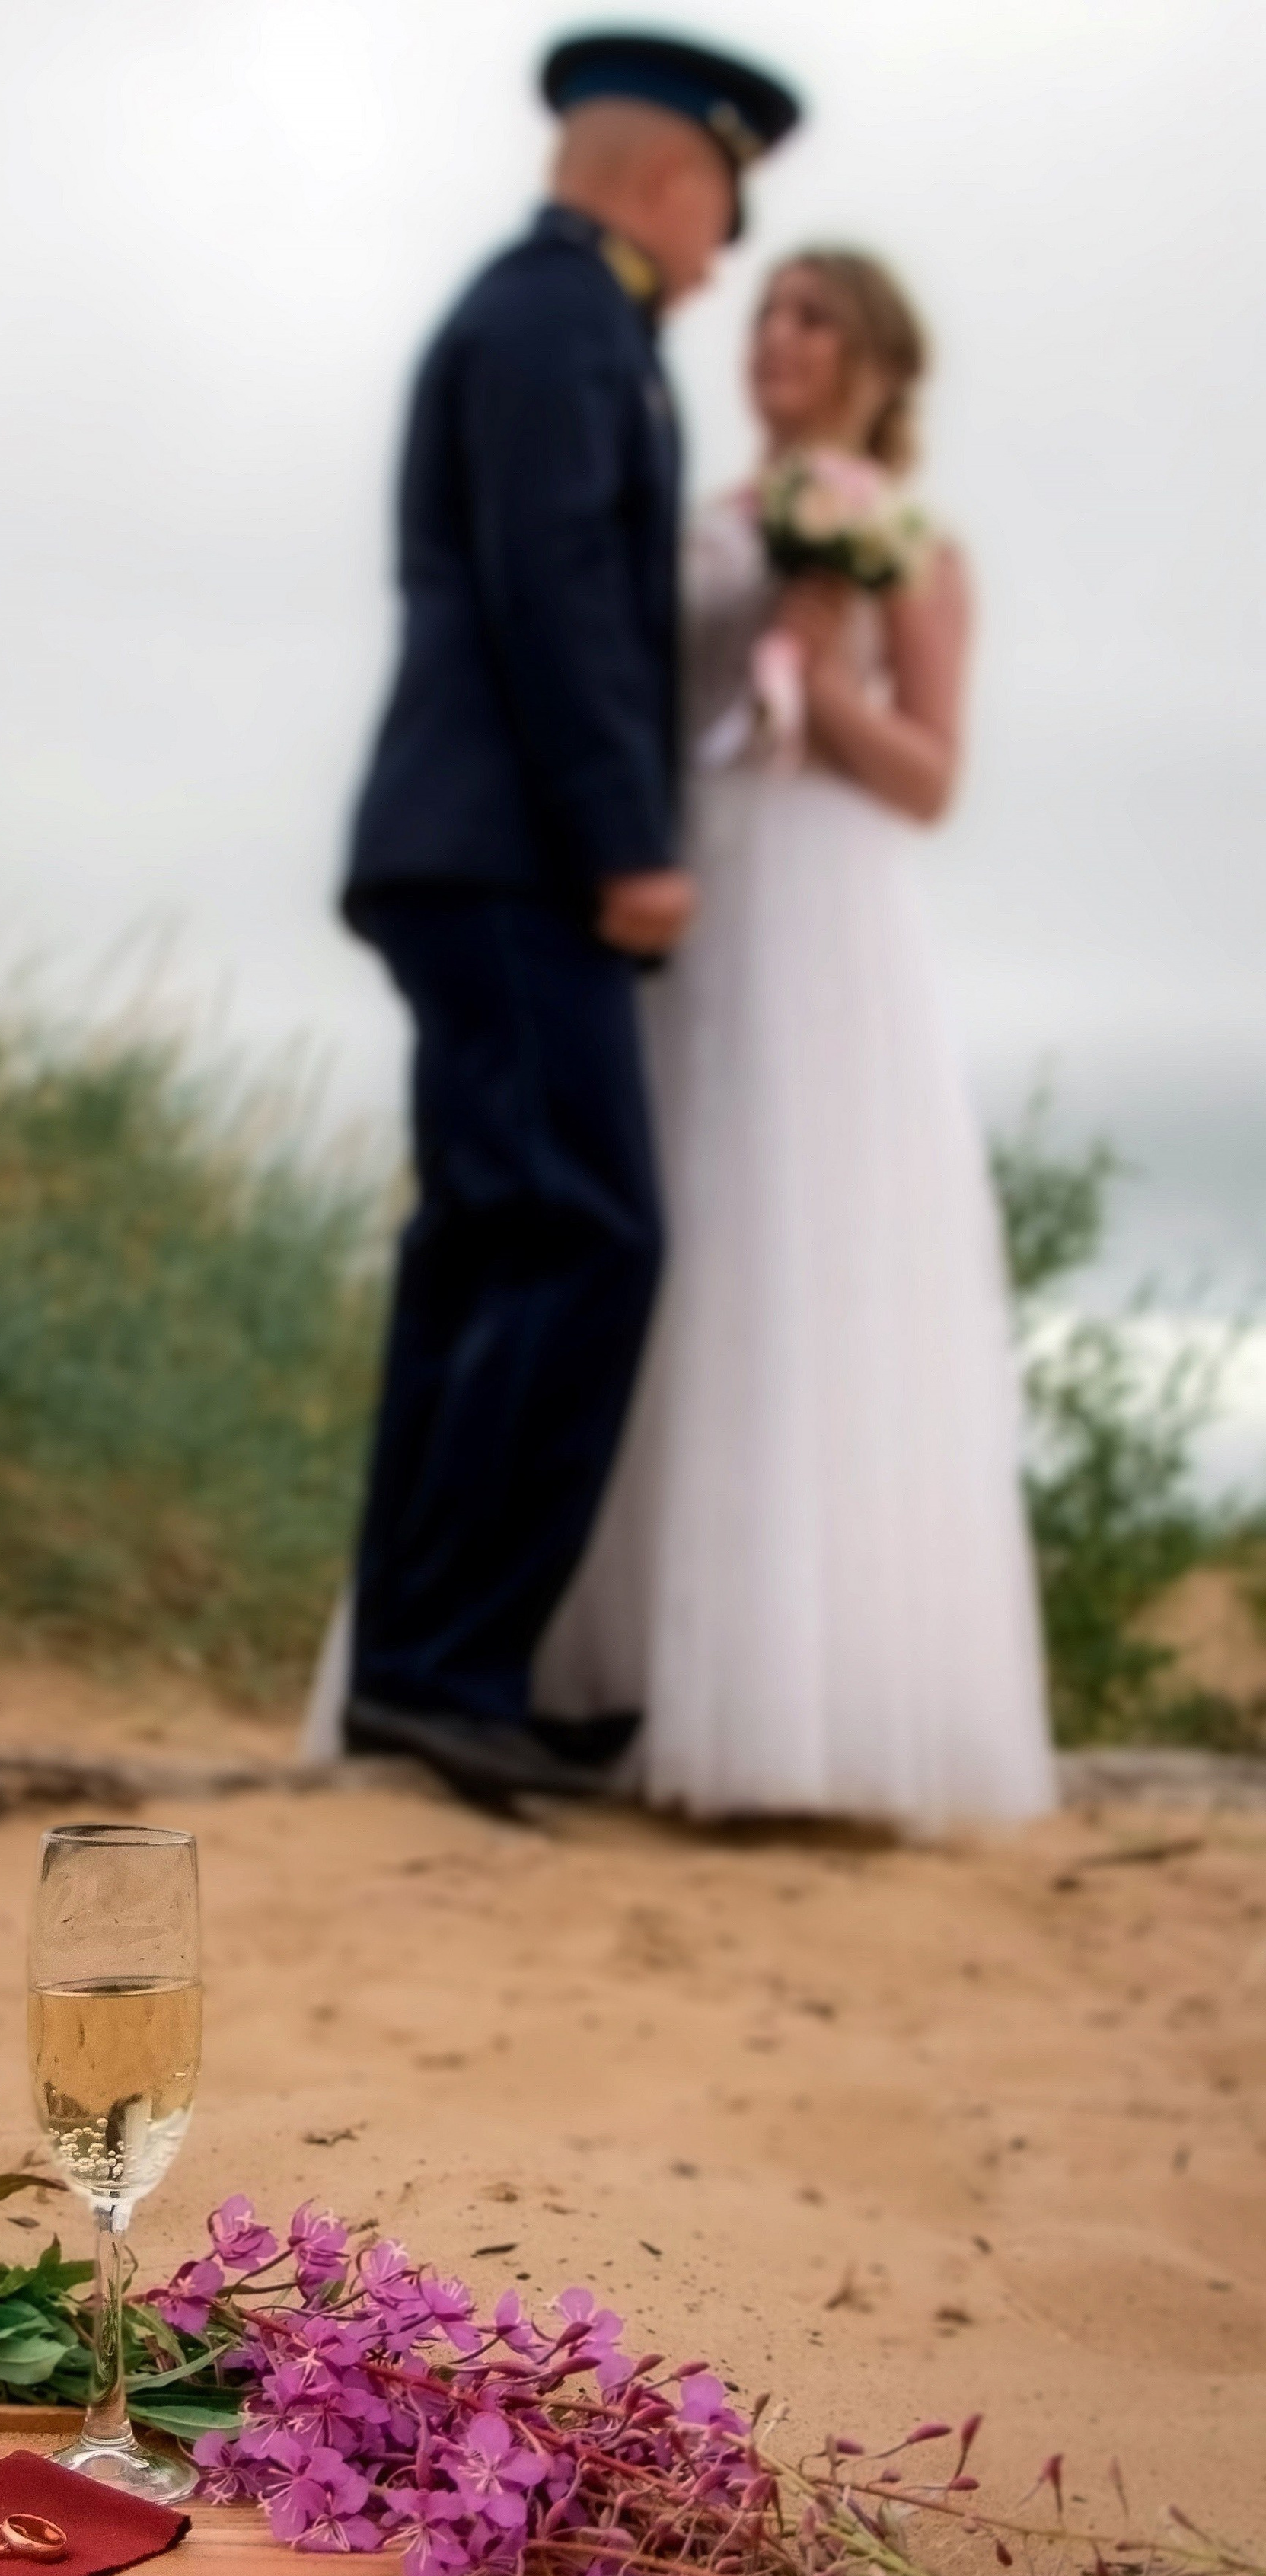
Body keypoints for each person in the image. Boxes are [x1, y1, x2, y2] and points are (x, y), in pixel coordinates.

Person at [333, 30, 804, 1811]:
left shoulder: (560, 317)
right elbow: (555, 599)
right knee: (577, 1234)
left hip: (469, 846)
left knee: (494, 1238)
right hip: (510, 851)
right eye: (719, 212)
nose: (723, 256)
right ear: (666, 179)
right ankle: (446, 1670)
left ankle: (433, 1669)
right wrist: (627, 839)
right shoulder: (556, 321)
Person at [533, 251, 1057, 1828]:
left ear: (879, 366)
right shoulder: (696, 521)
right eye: (764, 312)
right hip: (687, 895)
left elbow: (926, 776)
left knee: (799, 1256)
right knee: (657, 1241)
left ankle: (787, 1704)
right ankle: (595, 1677)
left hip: (821, 917)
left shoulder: (913, 553)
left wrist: (818, 680)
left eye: (812, 318)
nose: (776, 338)